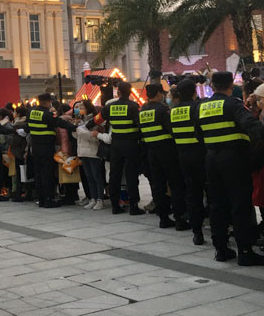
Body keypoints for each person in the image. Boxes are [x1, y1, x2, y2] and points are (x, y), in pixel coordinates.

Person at [198, 71, 264, 266]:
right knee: (240, 204)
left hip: (211, 159)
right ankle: (245, 252)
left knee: (217, 204)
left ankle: (221, 249)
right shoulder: (233, 104)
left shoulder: (202, 106)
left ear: (212, 86)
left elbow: (198, 133)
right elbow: (251, 125)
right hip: (234, 160)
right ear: (231, 85)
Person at [139, 84, 189, 230]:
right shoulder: (163, 110)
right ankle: (179, 219)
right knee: (175, 184)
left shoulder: (143, 111)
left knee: (158, 185)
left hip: (151, 152)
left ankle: (163, 218)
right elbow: (172, 130)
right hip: (167, 151)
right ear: (159, 93)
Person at [99, 82, 145, 215]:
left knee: (115, 175)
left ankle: (115, 206)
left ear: (118, 92)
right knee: (131, 175)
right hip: (131, 144)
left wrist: (85, 126)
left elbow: (98, 119)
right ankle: (133, 206)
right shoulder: (133, 106)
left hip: (115, 145)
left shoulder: (110, 107)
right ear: (130, 92)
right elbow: (140, 124)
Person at [171, 79, 207, 245]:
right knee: (211, 193)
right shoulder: (197, 108)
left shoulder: (173, 111)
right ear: (194, 92)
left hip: (183, 157)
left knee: (193, 195)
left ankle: (197, 233)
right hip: (201, 155)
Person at [28, 93, 76, 208]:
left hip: (35, 147)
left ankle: (41, 199)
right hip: (46, 147)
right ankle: (48, 199)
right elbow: (59, 123)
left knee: (38, 174)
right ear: (48, 102)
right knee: (47, 173)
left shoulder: (31, 112)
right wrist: (74, 127)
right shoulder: (47, 114)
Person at [74, 100, 104, 210]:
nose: (79, 108)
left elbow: (94, 136)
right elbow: (77, 136)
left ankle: (100, 199)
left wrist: (81, 131)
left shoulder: (95, 120)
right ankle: (93, 198)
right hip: (82, 151)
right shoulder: (81, 120)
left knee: (96, 176)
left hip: (93, 151)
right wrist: (75, 128)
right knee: (89, 177)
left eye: (82, 106)